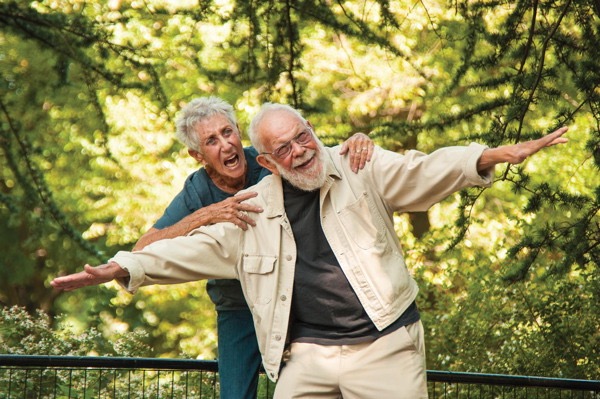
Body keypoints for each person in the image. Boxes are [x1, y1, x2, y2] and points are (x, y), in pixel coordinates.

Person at [51, 102, 568, 399]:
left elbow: (419, 169)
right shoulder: (243, 205)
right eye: (284, 150)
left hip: (383, 343)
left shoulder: (353, 167)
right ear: (269, 163)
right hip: (287, 339)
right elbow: (180, 252)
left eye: (304, 139)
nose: (298, 152)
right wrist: (120, 267)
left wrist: (486, 157)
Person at [129, 97, 374, 399]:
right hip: (237, 307)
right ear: (197, 155)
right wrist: (204, 216)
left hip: (291, 297)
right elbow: (141, 249)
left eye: (227, 132)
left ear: (239, 131)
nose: (226, 145)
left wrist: (358, 142)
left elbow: (322, 157)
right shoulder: (197, 190)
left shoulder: (269, 158)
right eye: (211, 141)